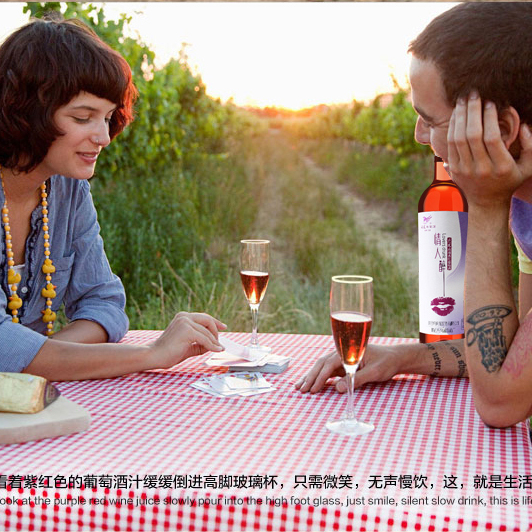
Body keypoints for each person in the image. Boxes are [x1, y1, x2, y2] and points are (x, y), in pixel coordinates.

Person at [296, 2, 532, 429]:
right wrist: (404, 356)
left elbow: (500, 402)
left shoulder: (504, 202)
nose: (418, 136)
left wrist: (483, 205)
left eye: (428, 120)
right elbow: (511, 352)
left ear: (500, 129)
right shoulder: (527, 208)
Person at [0, 16, 225, 381]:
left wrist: (47, 359)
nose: (104, 137)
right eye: (83, 117)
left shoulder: (68, 190)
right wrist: (153, 354)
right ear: (27, 113)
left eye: (107, 118)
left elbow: (104, 304)